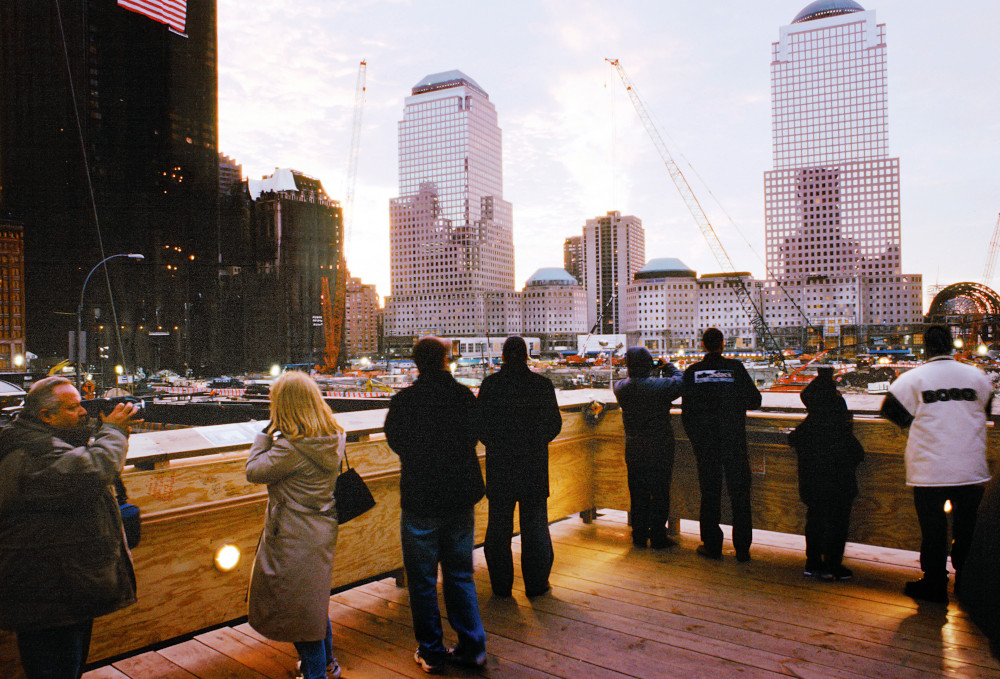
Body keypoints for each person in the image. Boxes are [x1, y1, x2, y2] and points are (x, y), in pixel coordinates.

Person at [0, 376, 140, 679]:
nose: (83, 413)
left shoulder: (24, 437)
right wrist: (114, 431)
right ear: (46, 416)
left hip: (58, 579)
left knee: (65, 664)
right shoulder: (32, 451)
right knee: (57, 667)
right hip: (49, 586)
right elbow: (94, 470)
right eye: (73, 407)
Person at [384, 337, 487, 674]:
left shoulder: (403, 401)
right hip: (459, 496)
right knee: (460, 574)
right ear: (445, 359)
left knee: (422, 580)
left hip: (421, 498)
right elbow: (476, 434)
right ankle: (473, 647)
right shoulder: (463, 396)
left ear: (416, 363)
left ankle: (431, 652)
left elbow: (396, 442)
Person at [880, 325, 993, 604]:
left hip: (929, 470)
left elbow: (893, 414)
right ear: (952, 346)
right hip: (971, 469)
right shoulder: (978, 377)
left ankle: (934, 584)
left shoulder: (912, 379)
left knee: (933, 530)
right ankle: (967, 583)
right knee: (967, 528)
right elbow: (987, 411)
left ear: (926, 347)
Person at [246, 371, 346, 679]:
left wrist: (265, 433)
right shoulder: (334, 437)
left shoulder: (291, 449)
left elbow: (253, 471)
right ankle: (328, 664)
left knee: (297, 613)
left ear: (284, 406)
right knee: (312, 603)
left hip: (292, 535)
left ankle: (316, 673)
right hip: (321, 528)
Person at [478, 336, 562, 598]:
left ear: (503, 357)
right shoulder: (541, 385)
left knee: (499, 528)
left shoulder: (491, 386)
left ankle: (501, 587)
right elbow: (554, 425)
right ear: (527, 356)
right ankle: (536, 585)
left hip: (500, 465)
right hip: (533, 465)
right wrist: (535, 442)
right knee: (535, 525)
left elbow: (479, 425)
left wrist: (497, 443)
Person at [681, 328, 762, 562]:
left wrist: (698, 442)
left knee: (709, 495)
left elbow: (687, 415)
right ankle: (743, 549)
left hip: (706, 446)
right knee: (740, 496)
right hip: (734, 442)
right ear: (723, 344)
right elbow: (755, 401)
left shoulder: (692, 372)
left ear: (703, 345)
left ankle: (712, 546)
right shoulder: (735, 369)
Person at [788, 366, 865, 580]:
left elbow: (793, 439)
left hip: (812, 486)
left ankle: (812, 563)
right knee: (837, 524)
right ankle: (832, 565)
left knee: (814, 520)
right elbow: (858, 454)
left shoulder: (806, 428)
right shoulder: (840, 428)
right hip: (840, 486)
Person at [613, 347, 683, 548]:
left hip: (634, 446)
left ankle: (639, 535)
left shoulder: (620, 387)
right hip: (659, 445)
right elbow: (680, 381)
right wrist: (668, 365)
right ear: (648, 365)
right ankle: (658, 536)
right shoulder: (658, 387)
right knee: (660, 491)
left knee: (637, 492)